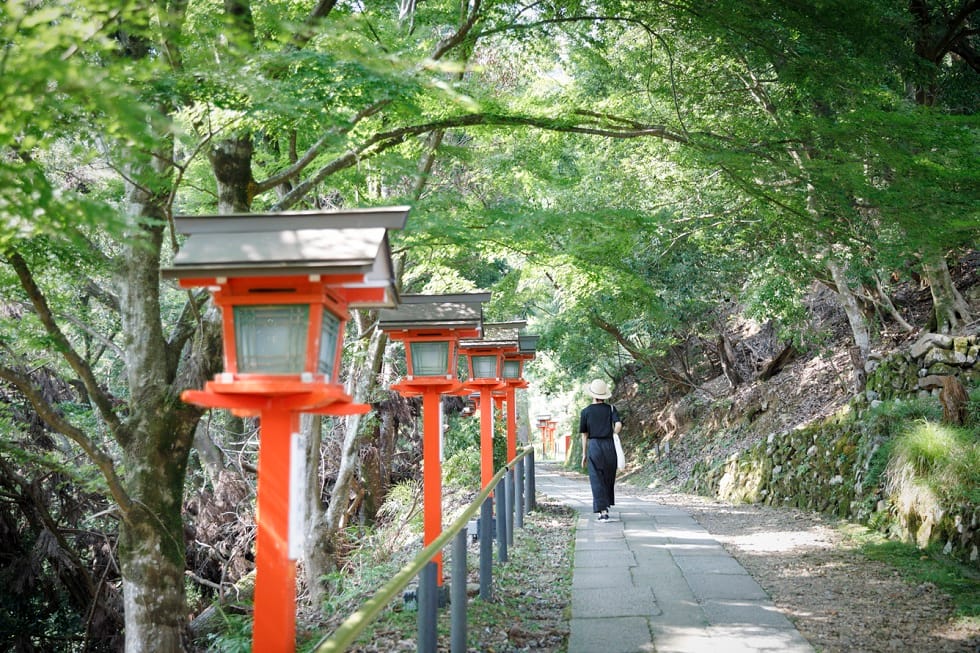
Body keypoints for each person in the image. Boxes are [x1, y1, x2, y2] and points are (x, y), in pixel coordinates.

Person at [579, 379, 622, 522]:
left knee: (596, 478)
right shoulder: (611, 409)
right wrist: (614, 434)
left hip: (595, 446)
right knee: (608, 477)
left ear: (592, 394)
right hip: (609, 446)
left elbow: (584, 435)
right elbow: (618, 424)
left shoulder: (585, 412)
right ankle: (606, 504)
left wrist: (584, 454)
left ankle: (602, 511)